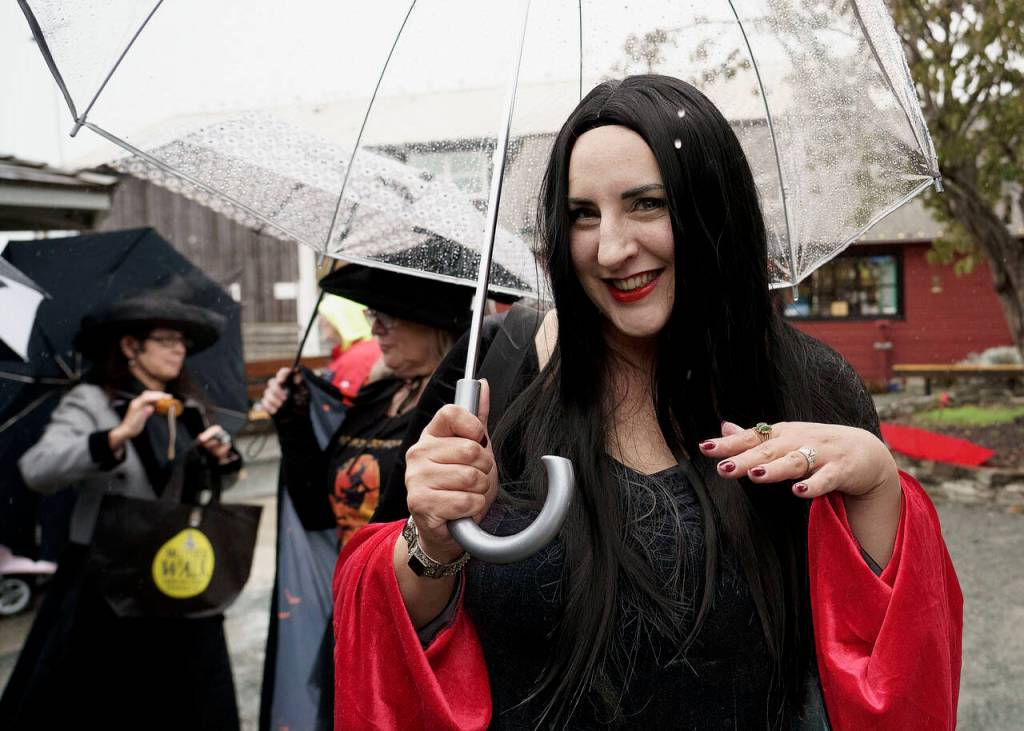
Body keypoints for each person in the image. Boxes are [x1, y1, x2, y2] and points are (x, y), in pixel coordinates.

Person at [333, 75, 963, 730]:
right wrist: (431, 540)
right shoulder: (494, 373)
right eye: (582, 213)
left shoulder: (809, 385)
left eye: (646, 204)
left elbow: (879, 657)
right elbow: (394, 629)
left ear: (710, 208)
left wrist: (881, 489)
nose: (610, 248)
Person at [0, 288, 243, 730]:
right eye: (167, 339)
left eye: (183, 342)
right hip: (104, 576)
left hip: (175, 574)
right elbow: (38, 469)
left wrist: (221, 462)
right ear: (131, 346)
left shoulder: (187, 409)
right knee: (103, 696)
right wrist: (116, 435)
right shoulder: (90, 402)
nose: (180, 350)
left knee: (184, 696)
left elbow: (202, 488)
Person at [258, 263, 474, 731]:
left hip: (409, 619)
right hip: (353, 608)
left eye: (389, 315)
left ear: (434, 322)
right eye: (374, 313)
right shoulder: (379, 396)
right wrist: (293, 421)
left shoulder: (457, 416)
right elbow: (318, 510)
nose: (375, 327)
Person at [316, 293, 382, 405]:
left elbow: (340, 404)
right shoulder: (355, 350)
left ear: (342, 319)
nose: (319, 322)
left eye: (326, 319)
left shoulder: (359, 356)